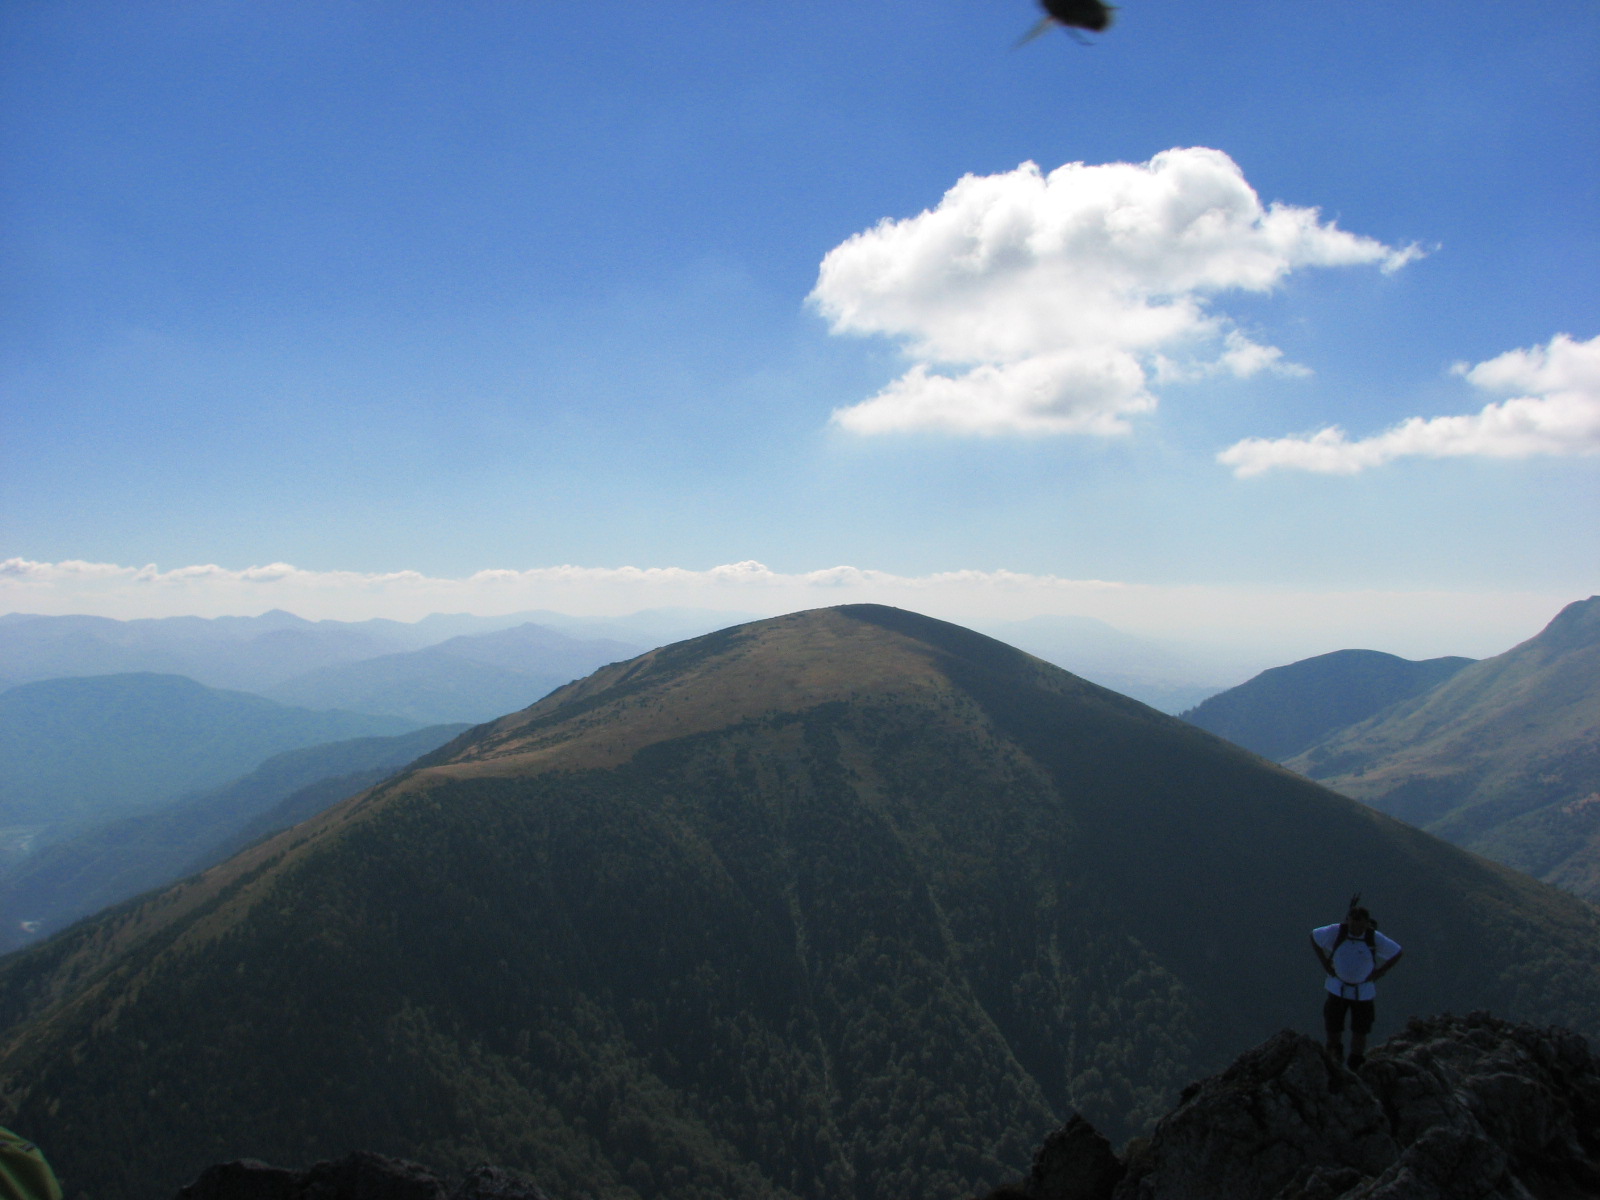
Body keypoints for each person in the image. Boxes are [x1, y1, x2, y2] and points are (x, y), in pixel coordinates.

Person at [1310, 896, 1403, 1070]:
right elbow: (1314, 937)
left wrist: (1380, 971)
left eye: (1358, 924)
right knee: (1335, 1028)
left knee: (1359, 1030)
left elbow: (1397, 952)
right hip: (1343, 990)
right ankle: (1336, 1062)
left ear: (1367, 924)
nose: (1354, 928)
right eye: (1352, 923)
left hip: (1356, 991)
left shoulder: (1372, 937)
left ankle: (1353, 1063)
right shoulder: (1339, 931)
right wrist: (1325, 964)